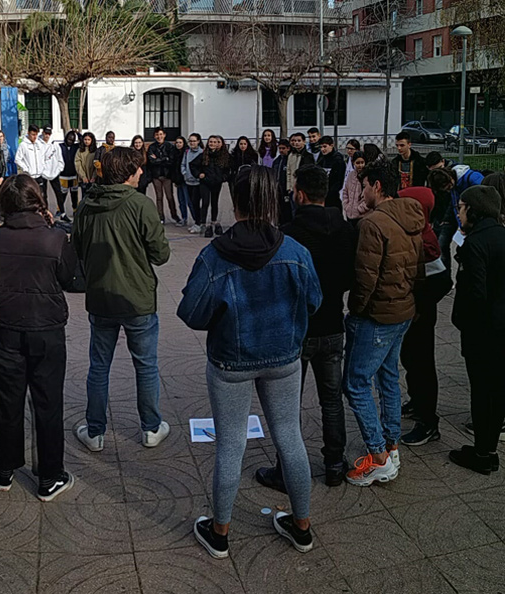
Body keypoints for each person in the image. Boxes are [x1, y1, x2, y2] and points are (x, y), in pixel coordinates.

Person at [178, 165, 322, 559]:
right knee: (289, 436)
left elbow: (191, 311)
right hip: (284, 358)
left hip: (230, 363)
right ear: (273, 202)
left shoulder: (215, 256)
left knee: (231, 444)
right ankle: (302, 525)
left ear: (234, 201)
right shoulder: (295, 252)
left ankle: (220, 531)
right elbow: (315, 300)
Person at [255, 165, 355, 492]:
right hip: (332, 324)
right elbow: (351, 275)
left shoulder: (287, 233)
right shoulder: (345, 229)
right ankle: (335, 464)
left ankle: (287, 469)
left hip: (296, 330)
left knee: (288, 405)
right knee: (331, 400)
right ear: (325, 193)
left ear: (299, 194)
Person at [0, 174, 77, 501]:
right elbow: (70, 278)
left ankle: (5, 467)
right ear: (38, 201)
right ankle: (49, 476)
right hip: (45, 328)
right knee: (47, 402)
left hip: (4, 327)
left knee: (8, 400)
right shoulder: (54, 239)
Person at [72, 147, 171, 453]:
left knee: (99, 366)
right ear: (128, 173)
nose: (142, 172)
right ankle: (151, 428)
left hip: (100, 296)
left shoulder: (87, 205)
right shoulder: (140, 205)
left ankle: (95, 430)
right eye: (138, 169)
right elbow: (161, 254)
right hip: (137, 298)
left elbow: (76, 248)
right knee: (146, 365)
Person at [343, 160, 423, 486]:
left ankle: (378, 455)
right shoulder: (412, 215)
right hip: (403, 310)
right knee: (388, 378)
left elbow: (365, 280)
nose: (361, 193)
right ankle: (391, 444)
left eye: (363, 186)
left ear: (376, 186)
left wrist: (356, 311)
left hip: (376, 317)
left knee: (356, 383)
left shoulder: (373, 224)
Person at [450, 185, 505, 474]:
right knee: (497, 391)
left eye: (460, 208)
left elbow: (475, 294)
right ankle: (489, 447)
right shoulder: (500, 235)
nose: (458, 213)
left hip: (484, 333)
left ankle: (483, 453)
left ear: (473, 210)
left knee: (483, 392)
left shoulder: (475, 244)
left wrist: (462, 322)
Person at [398, 185, 453, 446]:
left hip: (421, 314)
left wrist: (420, 307)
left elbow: (443, 281)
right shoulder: (415, 232)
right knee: (410, 358)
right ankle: (416, 402)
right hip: (412, 312)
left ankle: (428, 422)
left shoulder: (427, 239)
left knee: (422, 365)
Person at [428, 165, 484, 275]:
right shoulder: (454, 187)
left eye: (448, 187)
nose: (449, 190)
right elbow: (455, 206)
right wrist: (462, 225)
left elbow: (483, 201)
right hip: (466, 223)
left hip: (476, 222)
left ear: (450, 179)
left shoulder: (472, 178)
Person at [191, 135, 230, 238]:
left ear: (218, 144)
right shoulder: (203, 155)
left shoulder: (222, 156)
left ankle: (214, 221)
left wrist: (223, 177)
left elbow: (227, 169)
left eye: (214, 142)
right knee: (205, 202)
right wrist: (199, 174)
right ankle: (203, 223)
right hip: (205, 183)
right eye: (210, 142)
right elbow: (193, 165)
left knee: (214, 202)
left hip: (217, 183)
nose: (212, 144)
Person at [146, 127, 180, 224]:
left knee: (170, 197)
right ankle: (161, 217)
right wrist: (165, 159)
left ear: (164, 135)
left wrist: (159, 159)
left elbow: (171, 161)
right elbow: (151, 161)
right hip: (156, 176)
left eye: (161, 134)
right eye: (157, 134)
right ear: (154, 136)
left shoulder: (169, 146)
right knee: (159, 197)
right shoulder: (152, 147)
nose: (159, 136)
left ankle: (174, 215)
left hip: (167, 175)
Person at [39, 127, 65, 215]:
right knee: (43, 195)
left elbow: (60, 157)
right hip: (43, 173)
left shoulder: (55, 145)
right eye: (45, 133)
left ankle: (62, 212)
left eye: (49, 134)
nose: (47, 135)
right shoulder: (38, 144)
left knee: (58, 193)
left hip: (54, 172)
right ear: (42, 133)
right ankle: (45, 213)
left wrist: (59, 169)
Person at [15, 125, 48, 193]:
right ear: (28, 133)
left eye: (36, 134)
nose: (35, 137)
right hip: (30, 176)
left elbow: (44, 156)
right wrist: (26, 168)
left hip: (40, 175)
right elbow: (17, 159)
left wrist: (43, 166)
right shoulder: (23, 145)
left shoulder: (40, 144)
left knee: (42, 196)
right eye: (33, 134)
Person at [315, 136, 346, 210]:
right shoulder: (321, 159)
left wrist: (331, 192)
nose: (323, 149)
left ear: (331, 145)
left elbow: (339, 180)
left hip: (333, 196)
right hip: (322, 195)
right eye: (321, 147)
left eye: (325, 146)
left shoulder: (337, 160)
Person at [182, 133, 204, 234]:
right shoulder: (187, 152)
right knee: (191, 203)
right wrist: (185, 173)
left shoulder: (202, 153)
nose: (192, 143)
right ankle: (197, 222)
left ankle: (199, 223)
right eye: (190, 141)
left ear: (198, 141)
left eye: (194, 141)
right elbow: (183, 164)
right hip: (188, 181)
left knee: (196, 203)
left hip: (198, 183)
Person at [57, 130, 80, 221]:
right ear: (66, 138)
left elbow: (82, 141)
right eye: (69, 139)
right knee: (63, 195)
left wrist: (77, 133)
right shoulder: (60, 147)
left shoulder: (76, 147)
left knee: (74, 195)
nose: (71, 142)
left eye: (73, 140)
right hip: (63, 176)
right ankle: (61, 212)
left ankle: (75, 211)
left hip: (74, 176)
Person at [286, 133, 315, 199]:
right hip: (292, 188)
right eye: (295, 141)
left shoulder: (308, 156)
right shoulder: (291, 155)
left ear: (304, 142)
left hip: (303, 189)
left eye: (299, 141)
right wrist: (289, 188)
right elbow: (288, 171)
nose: (296, 143)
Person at [342, 152, 368, 227]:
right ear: (353, 163)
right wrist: (346, 205)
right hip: (349, 214)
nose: (360, 165)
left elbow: (368, 196)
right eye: (358, 163)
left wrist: (360, 209)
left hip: (362, 215)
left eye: (362, 162)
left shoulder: (367, 177)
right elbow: (345, 191)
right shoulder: (351, 175)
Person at [171, 136, 190, 227]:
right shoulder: (174, 153)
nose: (178, 144)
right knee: (181, 201)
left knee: (188, 200)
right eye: (177, 142)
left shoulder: (187, 153)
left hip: (186, 180)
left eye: (180, 142)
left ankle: (195, 219)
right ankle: (184, 218)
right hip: (178, 180)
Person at [271, 139, 292, 225]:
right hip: (277, 190)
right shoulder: (276, 161)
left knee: (287, 210)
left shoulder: (290, 160)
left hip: (287, 189)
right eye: (280, 148)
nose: (281, 150)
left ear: (288, 148)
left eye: (283, 148)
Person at [75, 132, 97, 199]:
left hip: (93, 179)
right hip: (84, 180)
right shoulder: (80, 151)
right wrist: (83, 176)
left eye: (88, 139)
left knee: (93, 197)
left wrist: (94, 176)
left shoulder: (96, 151)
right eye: (85, 139)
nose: (87, 141)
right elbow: (77, 164)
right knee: (84, 197)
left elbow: (97, 165)